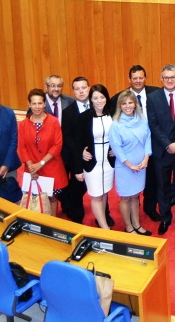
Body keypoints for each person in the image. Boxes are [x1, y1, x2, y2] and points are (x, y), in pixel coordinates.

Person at [107, 65, 160, 220]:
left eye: (140, 77)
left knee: (152, 180)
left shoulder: (156, 94)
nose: (138, 81)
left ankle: (150, 208)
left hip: (150, 145)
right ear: (129, 79)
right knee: (129, 190)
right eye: (134, 78)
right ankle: (131, 218)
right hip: (128, 150)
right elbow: (113, 126)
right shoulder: (118, 98)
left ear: (145, 78)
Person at [146, 64, 175, 234]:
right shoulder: (153, 97)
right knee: (162, 186)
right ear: (161, 79)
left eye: (173, 77)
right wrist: (167, 144)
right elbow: (153, 124)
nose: (170, 80)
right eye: (166, 78)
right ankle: (165, 217)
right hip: (161, 151)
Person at [17, 88, 68, 216]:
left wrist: (40, 163)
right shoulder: (23, 124)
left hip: (51, 167)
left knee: (52, 198)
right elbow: (22, 147)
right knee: (34, 198)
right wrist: (31, 167)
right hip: (32, 168)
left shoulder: (53, 121)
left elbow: (57, 145)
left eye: (40, 103)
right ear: (29, 104)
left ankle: (52, 223)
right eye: (34, 103)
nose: (37, 106)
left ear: (44, 104)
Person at [109, 89, 152, 236]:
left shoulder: (142, 120)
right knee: (126, 197)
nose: (127, 106)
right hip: (125, 167)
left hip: (141, 165)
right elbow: (116, 147)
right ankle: (128, 226)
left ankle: (137, 224)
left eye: (130, 102)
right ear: (119, 106)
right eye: (124, 103)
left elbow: (148, 139)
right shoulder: (116, 124)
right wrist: (130, 165)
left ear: (135, 104)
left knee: (136, 195)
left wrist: (146, 158)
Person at [76, 84, 115, 229]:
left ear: (106, 98)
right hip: (93, 162)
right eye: (95, 98)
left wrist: (116, 149)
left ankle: (101, 220)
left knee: (104, 192)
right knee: (96, 194)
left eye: (102, 97)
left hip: (108, 162)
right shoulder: (84, 118)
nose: (99, 101)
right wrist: (81, 152)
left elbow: (119, 135)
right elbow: (77, 140)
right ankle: (105, 229)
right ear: (90, 100)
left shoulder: (113, 114)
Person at [59, 76, 92, 225]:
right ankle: (77, 215)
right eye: (77, 89)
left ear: (89, 88)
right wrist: (81, 152)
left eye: (84, 88)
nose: (81, 91)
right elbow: (68, 137)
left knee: (100, 187)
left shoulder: (98, 105)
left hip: (96, 156)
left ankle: (104, 214)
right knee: (78, 187)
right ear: (73, 92)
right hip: (75, 157)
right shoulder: (67, 112)